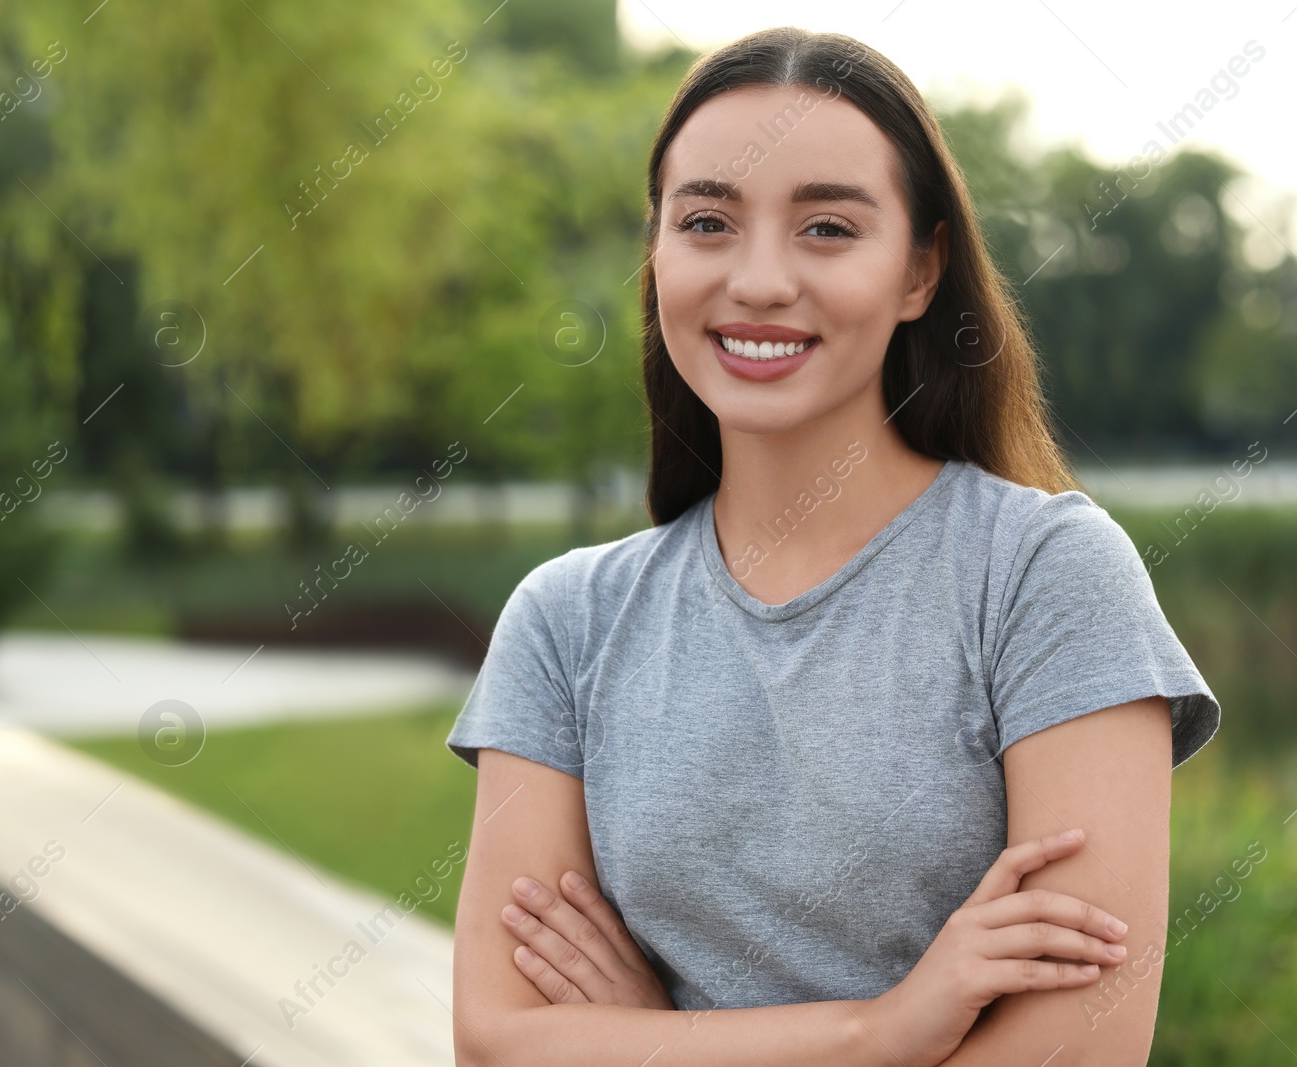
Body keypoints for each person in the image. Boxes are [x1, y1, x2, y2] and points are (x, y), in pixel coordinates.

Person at [445, 25, 1219, 1067]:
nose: (759, 280)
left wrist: (659, 1041)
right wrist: (884, 1028)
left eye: (826, 228)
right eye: (708, 220)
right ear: (659, 253)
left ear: (919, 269)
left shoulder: (1042, 576)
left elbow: (1082, 1049)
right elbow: (499, 1041)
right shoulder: (565, 619)